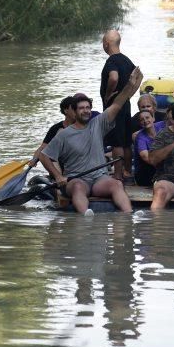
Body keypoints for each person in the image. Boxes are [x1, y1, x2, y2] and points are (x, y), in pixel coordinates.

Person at [40, 67, 144, 214]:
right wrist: (58, 176)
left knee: (116, 184)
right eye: (81, 108)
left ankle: (129, 214)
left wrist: (129, 84)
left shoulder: (98, 123)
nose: (86, 110)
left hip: (99, 178)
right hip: (76, 179)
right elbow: (43, 156)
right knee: (77, 188)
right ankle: (85, 216)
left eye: (88, 107)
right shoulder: (64, 134)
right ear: (74, 112)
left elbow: (117, 104)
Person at [100, 29, 136, 182]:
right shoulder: (127, 61)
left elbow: (113, 78)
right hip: (126, 105)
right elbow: (138, 76)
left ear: (107, 44)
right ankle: (128, 171)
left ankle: (118, 175)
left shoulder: (112, 61)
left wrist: (108, 95)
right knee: (126, 140)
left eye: (103, 42)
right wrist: (128, 94)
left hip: (114, 107)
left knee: (116, 141)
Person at [29, 96, 76, 168]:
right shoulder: (55, 128)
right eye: (74, 108)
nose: (77, 110)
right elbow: (43, 147)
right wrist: (34, 160)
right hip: (60, 162)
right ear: (66, 110)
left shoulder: (83, 126)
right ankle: (58, 176)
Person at [132, 110, 166, 187]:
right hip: (146, 171)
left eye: (147, 117)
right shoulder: (140, 137)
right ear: (140, 123)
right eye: (142, 119)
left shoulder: (162, 125)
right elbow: (146, 158)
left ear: (153, 118)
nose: (145, 121)